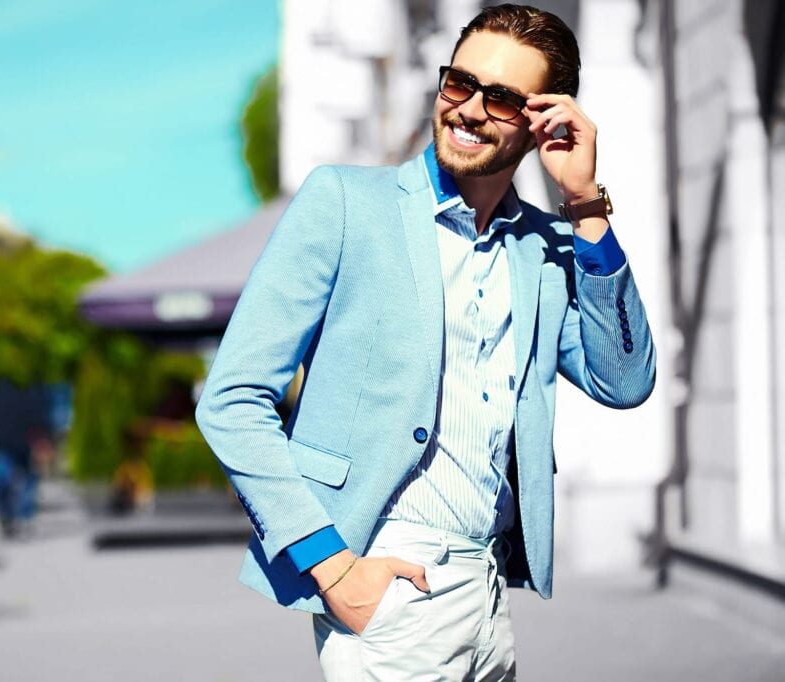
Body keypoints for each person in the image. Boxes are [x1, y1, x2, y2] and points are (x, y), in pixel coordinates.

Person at [195, 4, 656, 680]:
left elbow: (625, 379)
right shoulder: (348, 203)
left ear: (542, 121)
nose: (468, 109)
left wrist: (585, 204)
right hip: (388, 586)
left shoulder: (544, 248)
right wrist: (333, 568)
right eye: (458, 83)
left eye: (499, 99)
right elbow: (232, 399)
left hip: (489, 591)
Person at [0, 380, 54, 538]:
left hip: (26, 442)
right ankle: (7, 516)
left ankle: (24, 516)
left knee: (28, 481)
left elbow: (43, 414)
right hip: (3, 442)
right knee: (3, 480)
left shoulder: (36, 386)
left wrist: (44, 439)